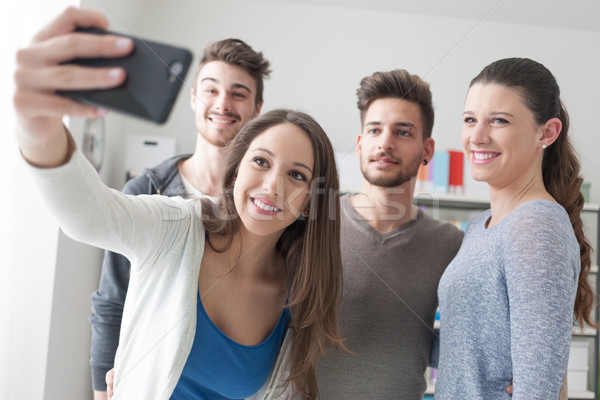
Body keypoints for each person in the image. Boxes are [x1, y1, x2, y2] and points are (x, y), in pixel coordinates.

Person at [14, 7, 345, 400]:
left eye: (297, 176)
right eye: (261, 162)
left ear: (310, 202)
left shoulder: (298, 292)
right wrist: (37, 127)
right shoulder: (175, 223)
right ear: (236, 171)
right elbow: (89, 216)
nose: (273, 186)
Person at [89, 32, 271, 400]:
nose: (223, 103)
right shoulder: (145, 191)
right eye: (210, 89)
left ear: (257, 109)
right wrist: (99, 390)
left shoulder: (264, 205)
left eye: (239, 93)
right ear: (193, 97)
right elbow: (112, 300)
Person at [435, 57, 597, 399]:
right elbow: (469, 353)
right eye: (470, 120)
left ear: (547, 132)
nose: (477, 136)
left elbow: (537, 390)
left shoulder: (537, 225)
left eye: (499, 120)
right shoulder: (481, 225)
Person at [315, 69, 464, 399]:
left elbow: (463, 340)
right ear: (359, 143)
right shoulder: (313, 226)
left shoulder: (450, 244)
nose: (385, 143)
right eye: (375, 130)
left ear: (427, 150)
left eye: (402, 132)